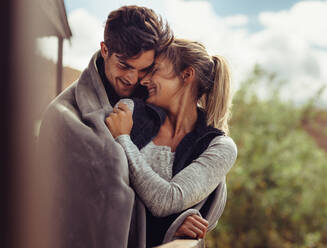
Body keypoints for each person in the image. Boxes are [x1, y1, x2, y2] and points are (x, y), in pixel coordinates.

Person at [38, 5, 210, 248]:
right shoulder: (63, 117)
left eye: (144, 69)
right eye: (125, 65)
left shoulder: (158, 104)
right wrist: (166, 226)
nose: (132, 78)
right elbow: (69, 209)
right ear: (105, 50)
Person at [105, 38, 237, 247]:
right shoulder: (129, 110)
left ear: (186, 75)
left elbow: (167, 201)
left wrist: (124, 139)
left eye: (154, 70)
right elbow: (104, 189)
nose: (144, 80)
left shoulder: (219, 146)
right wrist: (169, 226)